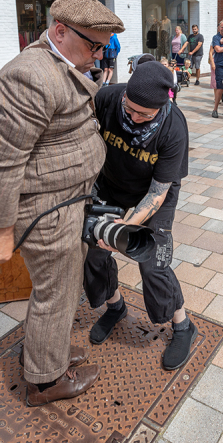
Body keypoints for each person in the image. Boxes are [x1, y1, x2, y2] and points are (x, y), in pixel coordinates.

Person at [0, 0, 124, 407]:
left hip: (66, 201)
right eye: (93, 45)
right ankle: (45, 381)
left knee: (62, 288)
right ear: (60, 30)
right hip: (46, 209)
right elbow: (2, 159)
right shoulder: (29, 75)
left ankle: (48, 354)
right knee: (55, 294)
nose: (98, 56)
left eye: (104, 48)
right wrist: (1, 230)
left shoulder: (61, 62)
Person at [83, 60, 193, 370]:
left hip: (154, 193)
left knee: (152, 262)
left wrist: (125, 228)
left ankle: (182, 326)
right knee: (94, 254)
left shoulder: (174, 128)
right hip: (111, 183)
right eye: (129, 109)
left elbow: (158, 194)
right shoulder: (107, 97)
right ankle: (115, 307)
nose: (133, 117)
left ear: (163, 105)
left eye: (143, 115)